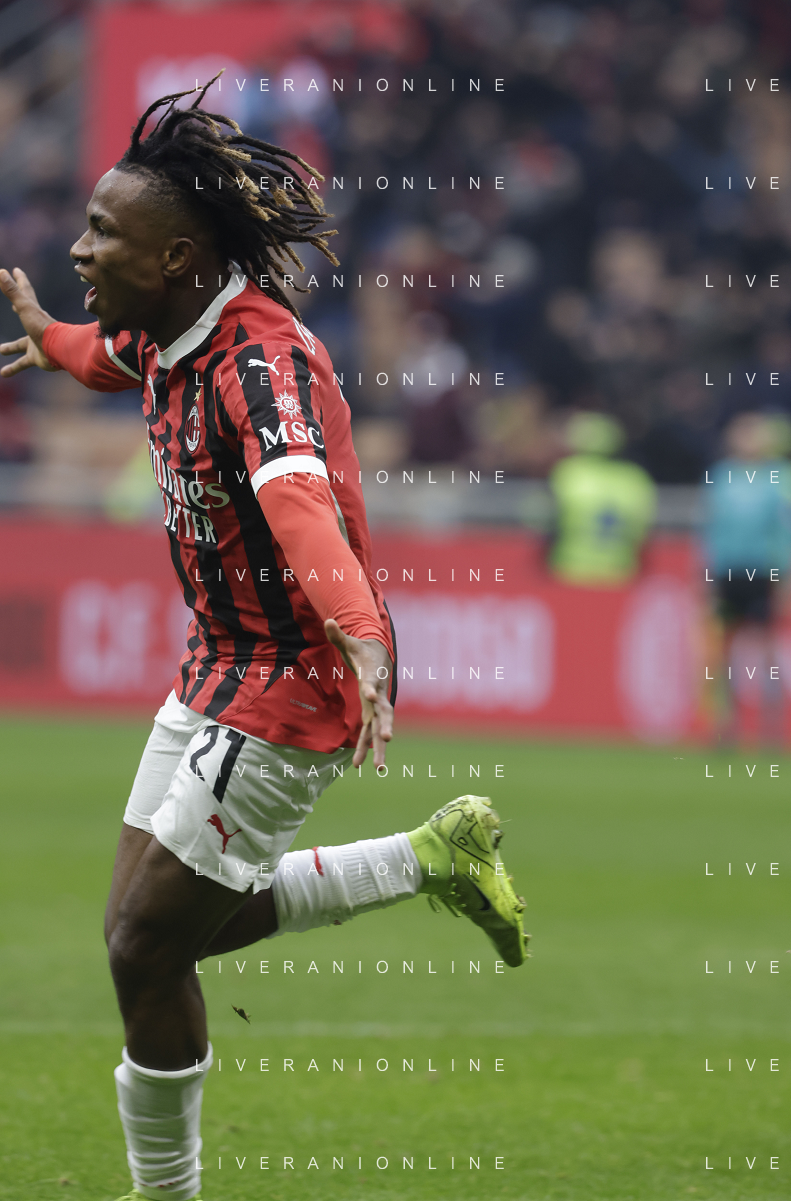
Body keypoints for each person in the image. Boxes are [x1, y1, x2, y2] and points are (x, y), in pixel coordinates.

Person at [0, 79, 528, 1201]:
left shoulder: (259, 363)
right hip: (218, 659)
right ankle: (428, 858)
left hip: (296, 673)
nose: (81, 248)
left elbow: (297, 500)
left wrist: (360, 631)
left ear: (176, 257)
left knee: (145, 945)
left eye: (102, 232)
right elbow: (109, 357)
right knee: (158, 923)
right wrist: (50, 337)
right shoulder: (168, 327)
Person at [703, 411, 791, 743]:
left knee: (766, 649)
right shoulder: (721, 476)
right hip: (728, 571)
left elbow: (783, 530)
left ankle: (772, 725)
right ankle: (726, 724)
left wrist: (783, 574)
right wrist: (706, 574)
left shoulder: (777, 476)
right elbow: (711, 528)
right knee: (722, 649)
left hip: (762, 571)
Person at [547, 411, 656, 586]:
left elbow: (547, 522)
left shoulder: (569, 473)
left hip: (572, 571)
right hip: (620, 574)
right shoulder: (635, 478)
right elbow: (644, 533)